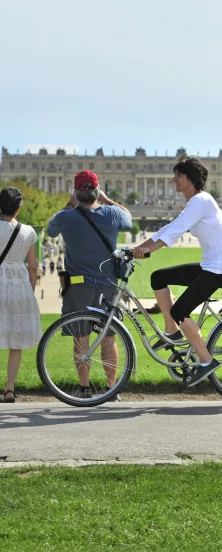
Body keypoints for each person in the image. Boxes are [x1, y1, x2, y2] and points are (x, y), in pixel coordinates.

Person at [133, 156, 222, 387]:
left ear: (190, 179)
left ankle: (206, 360)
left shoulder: (201, 201)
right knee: (158, 278)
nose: (174, 180)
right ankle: (172, 332)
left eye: (178, 176)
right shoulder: (195, 202)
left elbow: (175, 231)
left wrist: (148, 250)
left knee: (180, 310)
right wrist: (138, 248)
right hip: (211, 265)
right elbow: (168, 228)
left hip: (219, 270)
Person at [47, 171, 133, 400]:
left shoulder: (67, 216)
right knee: (108, 338)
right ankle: (111, 389)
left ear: (76, 192)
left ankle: (84, 388)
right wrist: (107, 200)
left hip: (78, 286)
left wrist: (70, 203)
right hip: (108, 285)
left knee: (81, 338)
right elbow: (129, 219)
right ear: (97, 191)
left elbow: (51, 230)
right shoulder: (113, 214)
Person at [0, 187, 42, 402]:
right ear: (20, 206)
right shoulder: (28, 231)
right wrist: (30, 290)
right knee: (15, 341)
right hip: (18, 286)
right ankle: (9, 389)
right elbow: (33, 266)